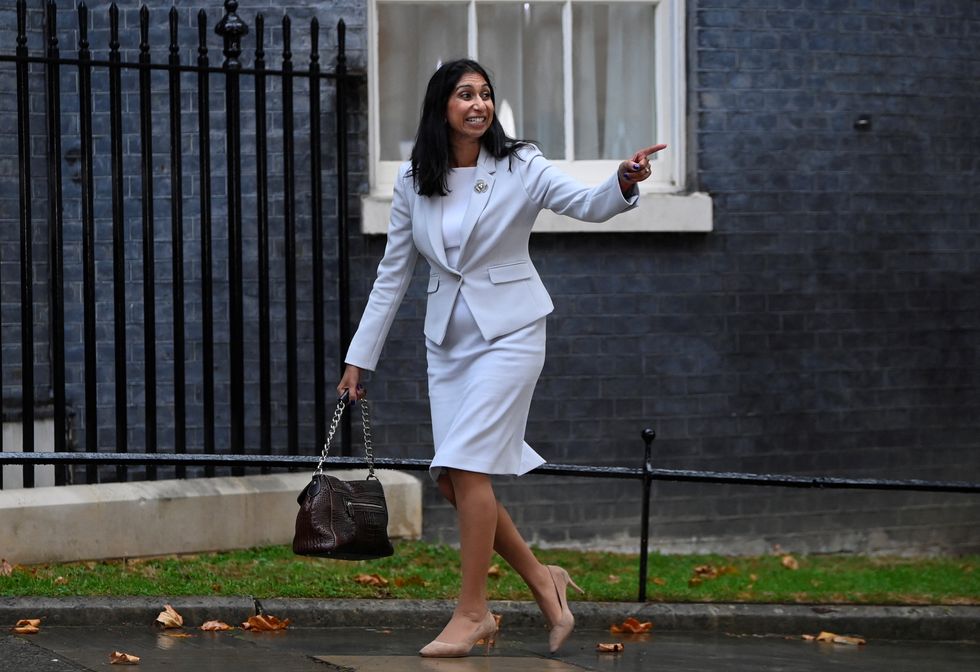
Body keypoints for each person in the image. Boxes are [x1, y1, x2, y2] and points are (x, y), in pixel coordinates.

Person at [337, 59, 665, 658]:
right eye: (465, 95)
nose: (478, 104)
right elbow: (392, 276)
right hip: (449, 345)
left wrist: (623, 178)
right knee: (457, 482)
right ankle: (546, 581)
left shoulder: (520, 164)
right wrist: (361, 358)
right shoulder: (415, 180)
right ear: (442, 107)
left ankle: (473, 613)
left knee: (466, 466)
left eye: (486, 94)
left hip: (512, 334)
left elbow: (584, 202)